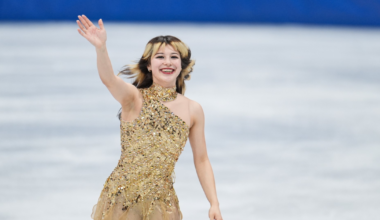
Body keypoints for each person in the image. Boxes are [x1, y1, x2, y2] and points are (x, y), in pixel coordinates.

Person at [76, 15, 223, 220]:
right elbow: (109, 80)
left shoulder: (193, 110)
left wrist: (213, 202)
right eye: (160, 57)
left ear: (182, 65)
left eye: (174, 57)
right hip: (123, 199)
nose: (167, 62)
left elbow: (201, 159)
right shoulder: (134, 98)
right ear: (148, 65)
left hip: (163, 203)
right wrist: (101, 48)